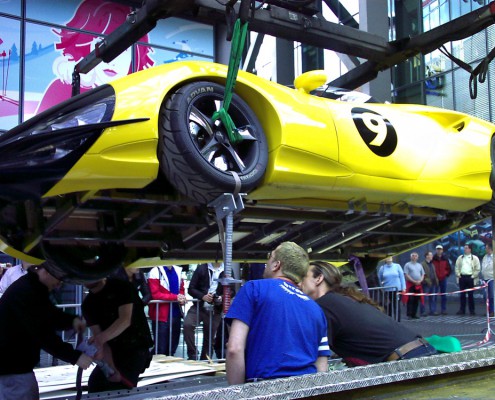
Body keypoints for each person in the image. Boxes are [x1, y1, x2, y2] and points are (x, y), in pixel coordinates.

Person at [225, 242, 330, 384]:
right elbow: (322, 365)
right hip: (306, 389)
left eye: (270, 257)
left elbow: (234, 348)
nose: (266, 262)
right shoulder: (316, 308)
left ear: (276, 265)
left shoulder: (254, 288)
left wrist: (235, 394)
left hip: (263, 388)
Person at [301, 261, 437, 366]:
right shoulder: (345, 298)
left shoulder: (324, 304)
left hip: (406, 361)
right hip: (420, 351)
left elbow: (316, 354)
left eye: (303, 277)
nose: (299, 283)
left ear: (318, 278)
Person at [36, 0, 154, 113]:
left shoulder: (138, 99)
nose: (113, 62)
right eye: (101, 42)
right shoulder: (61, 88)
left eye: (124, 50)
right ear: (86, 45)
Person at [0, 264, 92, 399]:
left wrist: (71, 321)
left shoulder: (33, 287)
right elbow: (42, 333)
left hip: (14, 367)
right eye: (59, 279)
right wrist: (75, 357)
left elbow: (48, 314)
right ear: (48, 272)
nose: (59, 285)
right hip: (14, 369)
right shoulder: (27, 292)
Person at [82, 277, 154, 393]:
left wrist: (100, 339)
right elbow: (101, 342)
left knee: (120, 389)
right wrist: (110, 368)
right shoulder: (88, 304)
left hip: (135, 347)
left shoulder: (122, 287)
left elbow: (125, 320)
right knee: (96, 385)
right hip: (114, 350)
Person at [184, 262, 226, 360]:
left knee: (209, 338)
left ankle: (205, 360)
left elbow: (231, 290)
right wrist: (203, 296)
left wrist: (221, 297)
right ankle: (192, 354)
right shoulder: (202, 268)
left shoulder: (227, 270)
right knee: (188, 324)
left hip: (216, 308)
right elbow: (191, 288)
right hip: (199, 305)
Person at [148, 264, 186, 356]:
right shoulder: (155, 271)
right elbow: (155, 294)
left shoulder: (177, 270)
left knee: (172, 347)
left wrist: (181, 297)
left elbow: (181, 289)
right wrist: (176, 297)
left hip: (175, 313)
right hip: (161, 315)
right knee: (160, 348)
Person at [455, 243, 481, 316]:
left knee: (471, 295)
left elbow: (477, 269)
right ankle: (462, 310)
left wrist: (473, 276)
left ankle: (472, 310)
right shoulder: (460, 258)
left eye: (466, 248)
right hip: (462, 278)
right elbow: (456, 267)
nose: (465, 249)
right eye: (464, 248)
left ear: (470, 249)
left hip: (470, 278)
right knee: (462, 295)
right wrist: (458, 275)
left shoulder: (475, 258)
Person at [377, 256, 406, 320]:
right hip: (387, 290)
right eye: (387, 257)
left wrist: (404, 287)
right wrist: (382, 287)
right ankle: (389, 320)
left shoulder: (397, 266)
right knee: (388, 306)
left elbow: (402, 277)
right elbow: (379, 278)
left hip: (397, 289)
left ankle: (398, 321)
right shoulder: (382, 268)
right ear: (385, 259)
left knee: (396, 306)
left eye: (390, 257)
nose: (389, 258)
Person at [403, 252, 425, 319]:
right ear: (410, 257)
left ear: (418, 257)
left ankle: (414, 314)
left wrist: (420, 281)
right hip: (410, 285)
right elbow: (406, 275)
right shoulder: (407, 265)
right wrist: (413, 281)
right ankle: (409, 314)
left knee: (416, 300)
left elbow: (423, 274)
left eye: (416, 256)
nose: (414, 257)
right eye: (413, 256)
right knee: (410, 300)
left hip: (418, 285)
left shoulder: (420, 265)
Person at [432, 244, 452, 315]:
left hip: (443, 279)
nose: (439, 250)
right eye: (438, 249)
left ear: (442, 250)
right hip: (435, 279)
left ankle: (443, 309)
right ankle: (433, 310)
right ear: (436, 250)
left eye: (440, 249)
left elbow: (449, 268)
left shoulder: (445, 258)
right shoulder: (433, 258)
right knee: (434, 295)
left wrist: (445, 274)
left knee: (443, 295)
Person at [420, 251, 439, 316]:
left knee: (432, 298)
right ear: (427, 256)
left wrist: (436, 280)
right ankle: (423, 311)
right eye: (430, 255)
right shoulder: (422, 264)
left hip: (433, 283)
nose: (432, 256)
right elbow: (422, 274)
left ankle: (432, 310)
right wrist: (426, 280)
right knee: (424, 298)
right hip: (426, 283)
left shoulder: (432, 264)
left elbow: (434, 273)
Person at [481, 243, 494, 317]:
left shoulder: (494, 257)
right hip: (484, 279)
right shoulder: (485, 257)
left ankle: (492, 311)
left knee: (491, 295)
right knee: (485, 296)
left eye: (486, 248)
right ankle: (488, 311)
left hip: (491, 279)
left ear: (490, 249)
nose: (485, 249)